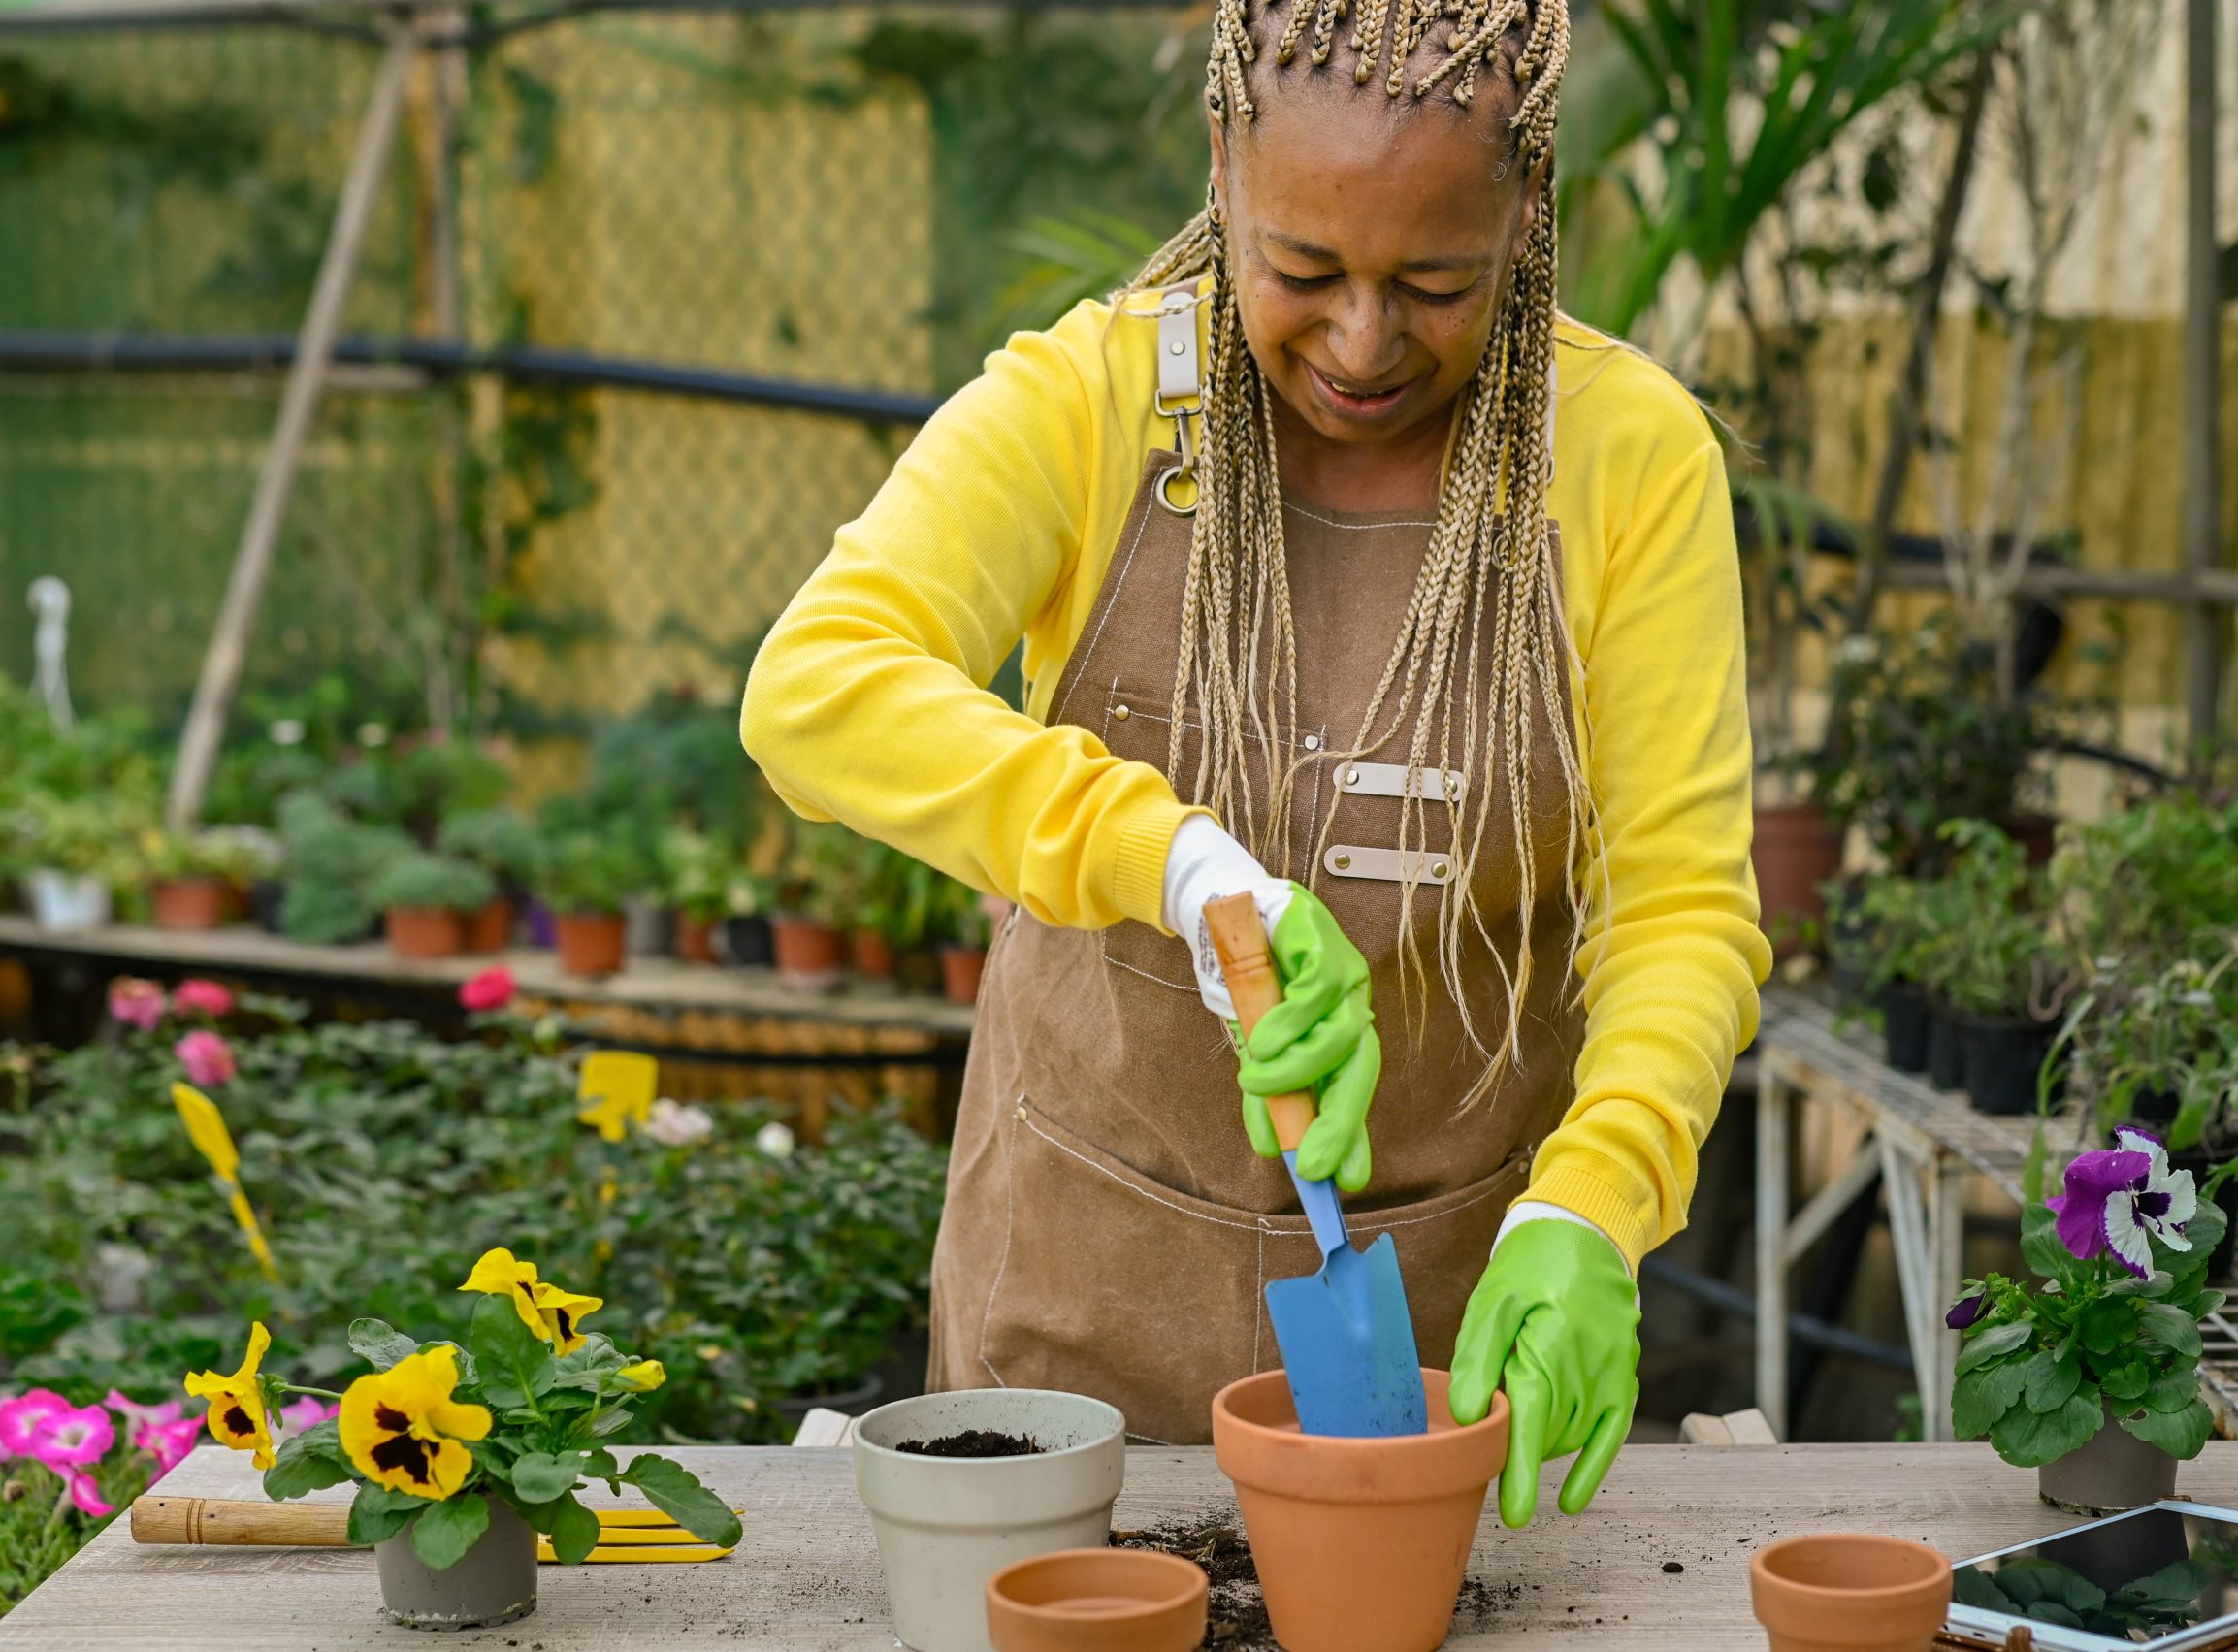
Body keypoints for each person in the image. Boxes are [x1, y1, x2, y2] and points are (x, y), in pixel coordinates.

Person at [743, 0, 1770, 1526]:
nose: (1364, 344)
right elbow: (817, 688)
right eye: (1303, 271)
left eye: (1437, 284)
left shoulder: (1624, 459)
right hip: (1072, 1334)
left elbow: (1682, 910)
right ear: (1221, 167)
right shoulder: (1086, 405)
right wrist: (1180, 860)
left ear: (1529, 206)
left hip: (1439, 1362)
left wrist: (1593, 1207)